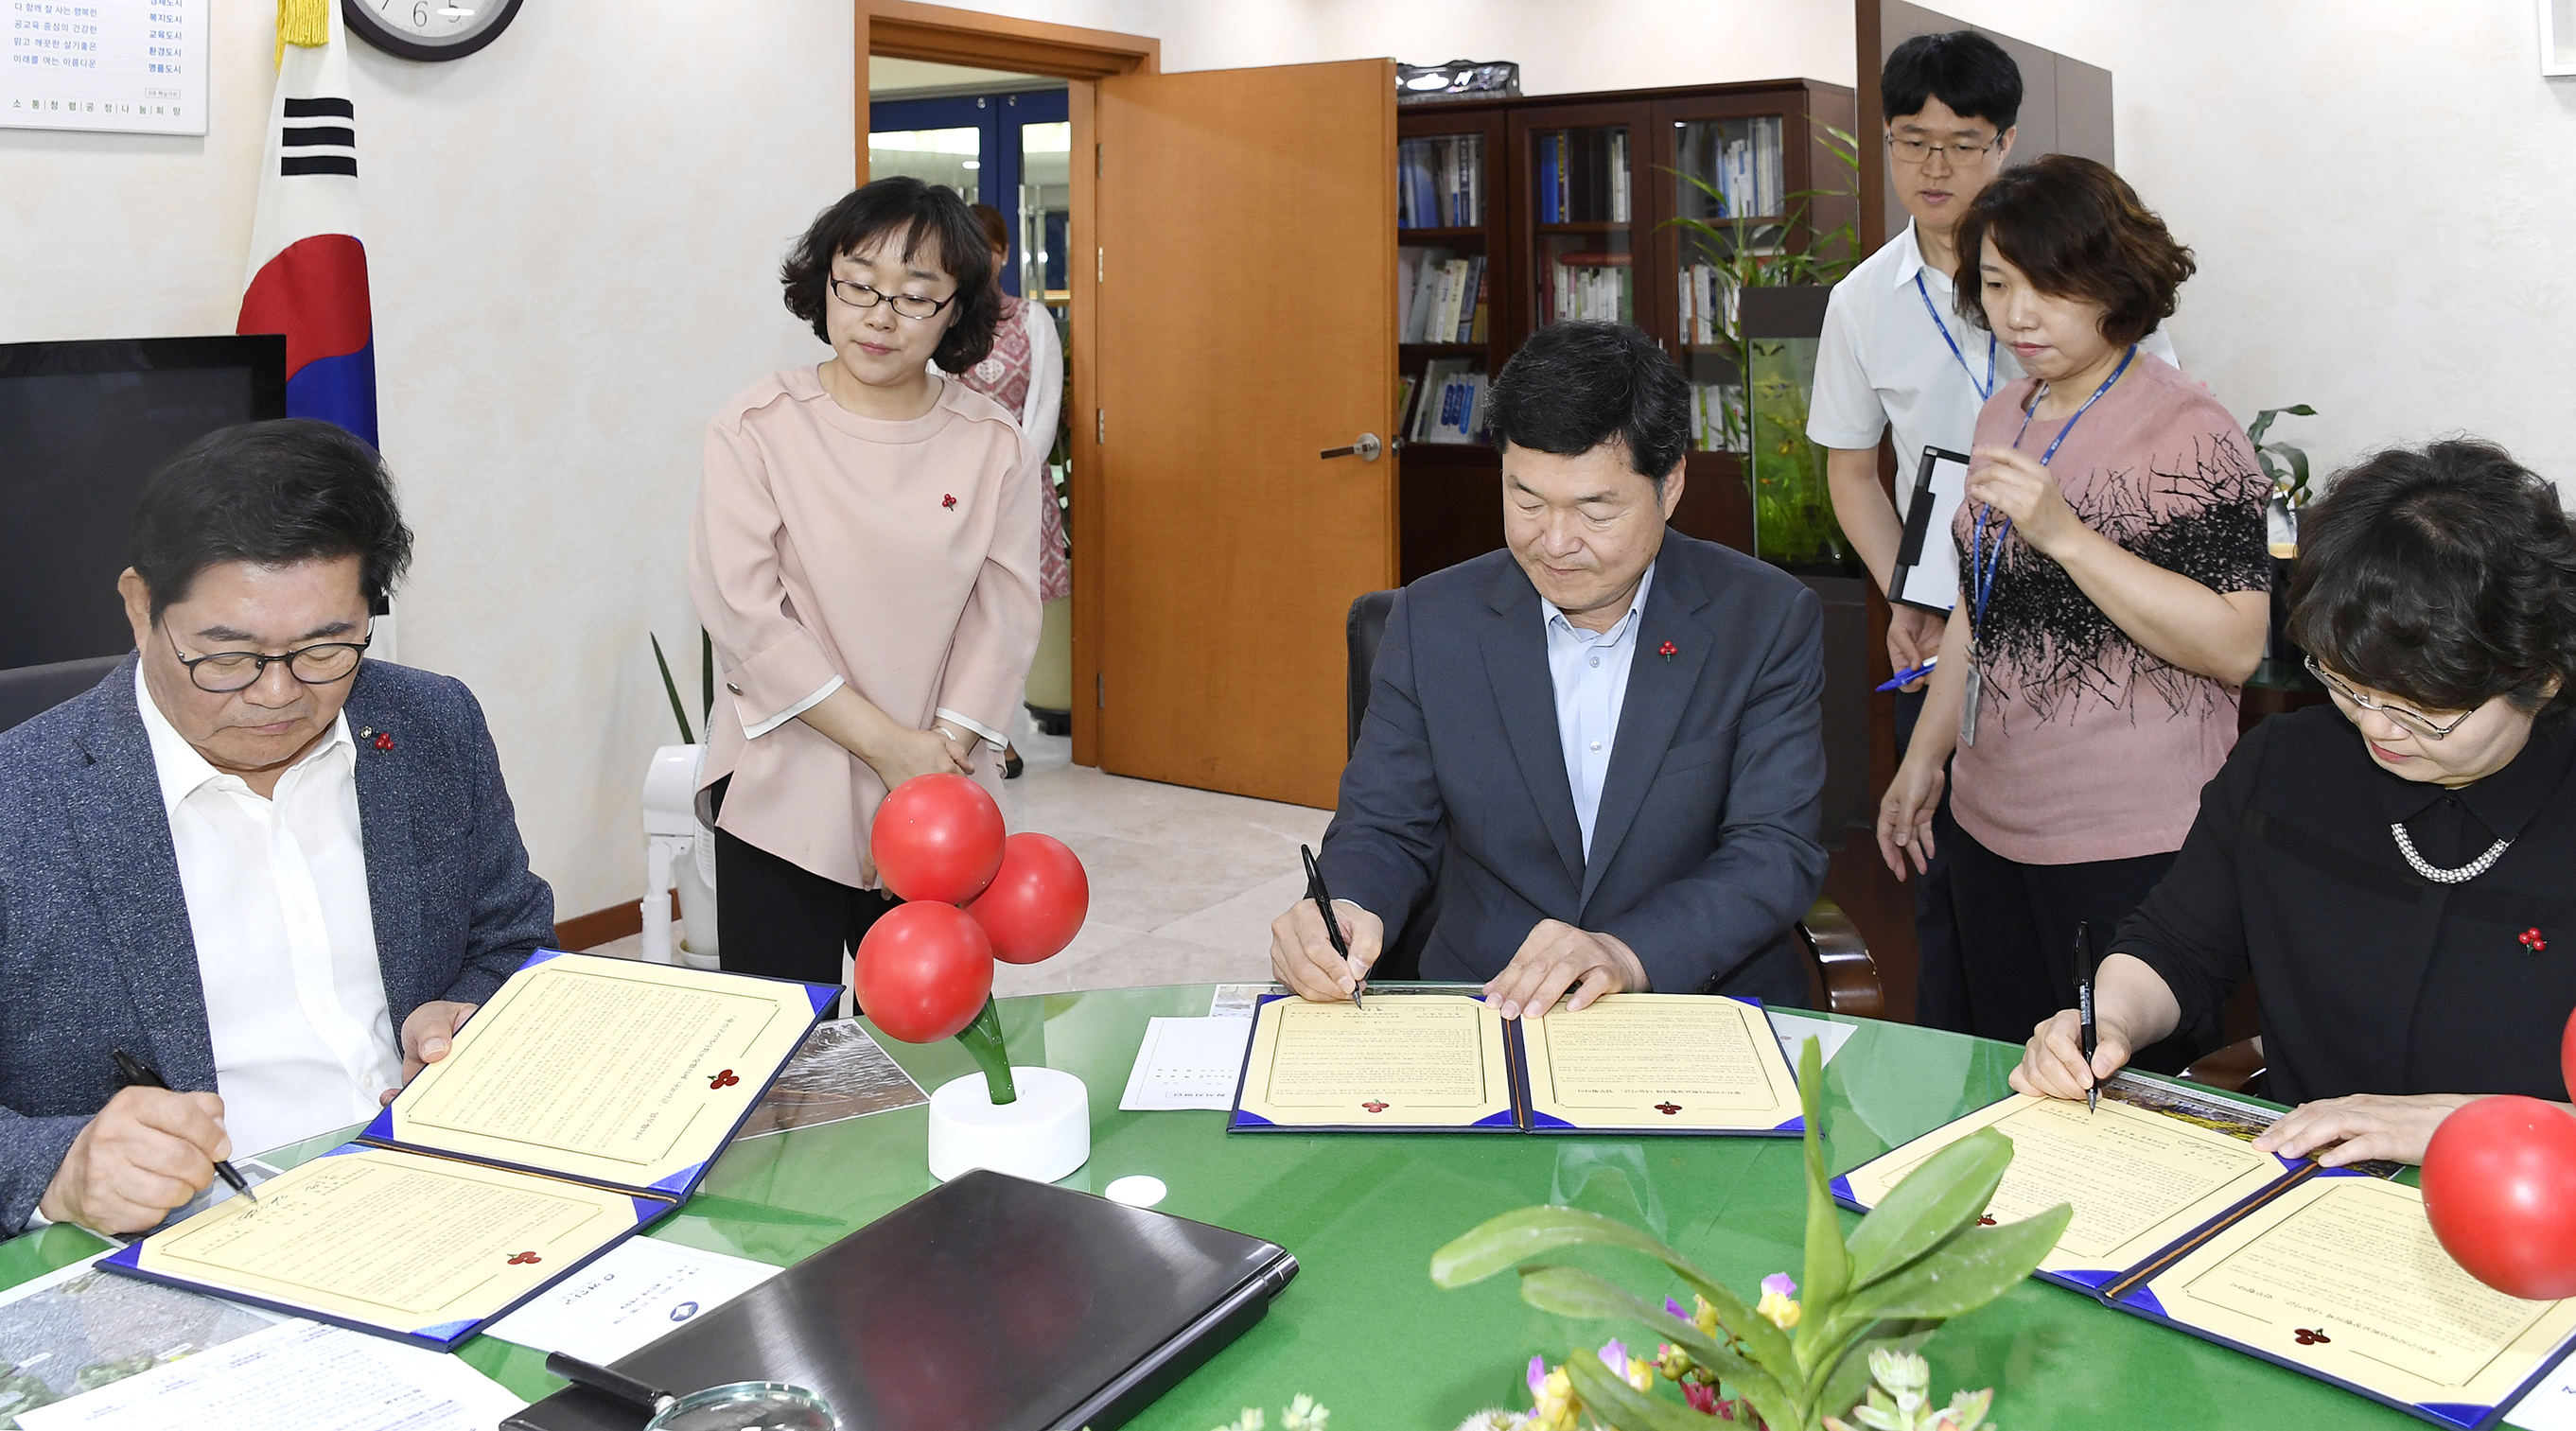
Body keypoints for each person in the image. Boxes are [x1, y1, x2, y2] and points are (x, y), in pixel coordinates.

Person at [0, 419, 556, 1238]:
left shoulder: (432, 723)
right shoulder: (22, 802)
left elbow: (510, 942)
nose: (276, 693)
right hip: (189, 1250)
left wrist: (474, 1012)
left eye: (327, 646)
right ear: (138, 606)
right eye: (228, 655)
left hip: (445, 1196)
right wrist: (60, 1167)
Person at [2014, 442, 2576, 1165]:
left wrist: (2472, 1125)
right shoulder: (2287, 764)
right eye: (2350, 687)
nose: (2375, 727)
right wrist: (2107, 1019)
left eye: (2422, 712)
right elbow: (2177, 946)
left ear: (2542, 678)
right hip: (2303, 1188)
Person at [1270, 321, 1829, 1017]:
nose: (1555, 543)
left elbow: (1773, 849)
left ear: (1670, 485)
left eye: (1595, 510)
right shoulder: (1431, 620)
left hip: (1691, 1003)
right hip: (1483, 1000)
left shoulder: (1764, 619)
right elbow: (1385, 827)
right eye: (1526, 500)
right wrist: (1343, 908)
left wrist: (1624, 951)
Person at [1809, 31, 2177, 1032]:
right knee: (1947, 871)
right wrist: (1910, 596)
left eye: (1962, 143)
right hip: (1943, 611)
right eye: (1909, 141)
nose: (1934, 168)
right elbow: (1851, 471)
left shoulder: (2082, 277)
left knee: (2082, 889)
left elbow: (2154, 427)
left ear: (2005, 142)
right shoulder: (1859, 303)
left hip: (2079, 610)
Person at [1874, 155, 2268, 1054]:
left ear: (2113, 281)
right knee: (2005, 1072)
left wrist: (2067, 534)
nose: (2018, 314)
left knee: (2118, 1095)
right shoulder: (2004, 410)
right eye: (1997, 283)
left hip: (2129, 838)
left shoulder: (2188, 429)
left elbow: (2237, 645)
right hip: (1989, 817)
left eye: (2049, 285)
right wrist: (1925, 758)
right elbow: (1981, 601)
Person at [691, 177, 1041, 987]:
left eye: (916, 297)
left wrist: (935, 760)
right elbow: (747, 618)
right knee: (785, 1053)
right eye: (859, 286)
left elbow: (1005, 618)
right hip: (789, 783)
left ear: (957, 309)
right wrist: (895, 753)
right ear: (824, 283)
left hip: (940, 793)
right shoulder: (755, 429)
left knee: (933, 1043)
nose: (880, 317)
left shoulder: (994, 446)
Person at [942, 201, 1067, 779]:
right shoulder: (942, 317)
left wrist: (1013, 474)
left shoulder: (1032, 320)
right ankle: (973, 734)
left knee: (1011, 614)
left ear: (1003, 254)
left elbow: (1044, 404)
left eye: (989, 247)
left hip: (1022, 486)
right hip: (953, 487)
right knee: (955, 612)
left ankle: (1001, 733)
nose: (981, 256)